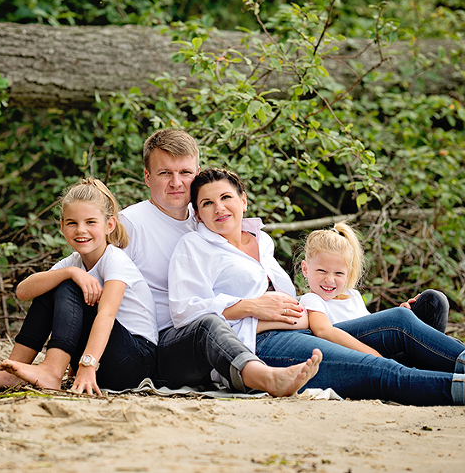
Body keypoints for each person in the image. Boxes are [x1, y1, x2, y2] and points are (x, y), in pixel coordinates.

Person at [168, 167, 465, 406]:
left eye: (226, 198)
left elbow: (318, 302)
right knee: (377, 369)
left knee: (399, 322)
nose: (219, 208)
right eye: (206, 204)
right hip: (263, 344)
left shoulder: (264, 243)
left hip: (307, 325)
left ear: (243, 201)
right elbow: (185, 312)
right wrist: (250, 306)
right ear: (198, 214)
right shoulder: (194, 246)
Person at [119, 129, 321, 396]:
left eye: (185, 173)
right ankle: (263, 378)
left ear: (197, 172)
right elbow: (88, 269)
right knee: (208, 324)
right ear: (147, 176)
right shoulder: (131, 223)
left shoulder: (206, 216)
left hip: (225, 341)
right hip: (160, 344)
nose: (176, 183)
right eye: (165, 173)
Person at [299, 222, 465, 400]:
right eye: (321, 271)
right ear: (305, 270)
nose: (329, 280)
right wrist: (374, 352)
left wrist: (395, 318)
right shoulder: (311, 299)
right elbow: (323, 331)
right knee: (401, 320)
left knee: (433, 302)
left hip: (382, 352)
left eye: (338, 273)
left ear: (349, 273)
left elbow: (369, 325)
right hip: (360, 358)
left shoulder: (354, 296)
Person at [0, 178, 158, 395]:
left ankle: (52, 371)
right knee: (53, 283)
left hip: (134, 361)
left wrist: (87, 364)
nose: (80, 230)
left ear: (109, 225)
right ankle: (11, 372)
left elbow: (106, 315)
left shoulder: (115, 260)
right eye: (72, 223)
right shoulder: (73, 263)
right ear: (62, 226)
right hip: (104, 358)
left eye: (91, 222)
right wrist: (70, 272)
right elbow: (23, 292)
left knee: (67, 286)